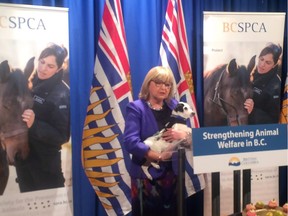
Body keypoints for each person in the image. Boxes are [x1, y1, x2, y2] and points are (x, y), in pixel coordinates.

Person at [123, 66, 205, 216]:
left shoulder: (175, 106)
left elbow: (189, 138)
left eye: (167, 85)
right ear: (148, 84)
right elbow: (130, 141)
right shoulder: (136, 108)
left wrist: (183, 136)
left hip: (174, 175)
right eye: (159, 83)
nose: (164, 88)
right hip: (146, 178)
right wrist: (158, 156)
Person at [16, 43, 70, 192]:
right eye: (42, 62)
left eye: (50, 66)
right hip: (24, 163)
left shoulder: (63, 94)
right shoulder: (31, 83)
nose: (43, 68)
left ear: (59, 68)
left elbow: (62, 136)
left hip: (45, 169)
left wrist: (34, 124)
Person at [244, 43, 283, 124]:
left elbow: (274, 120)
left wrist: (252, 111)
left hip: (257, 132)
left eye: (268, 62)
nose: (262, 65)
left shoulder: (276, 86)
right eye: (261, 59)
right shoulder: (250, 72)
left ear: (274, 65)